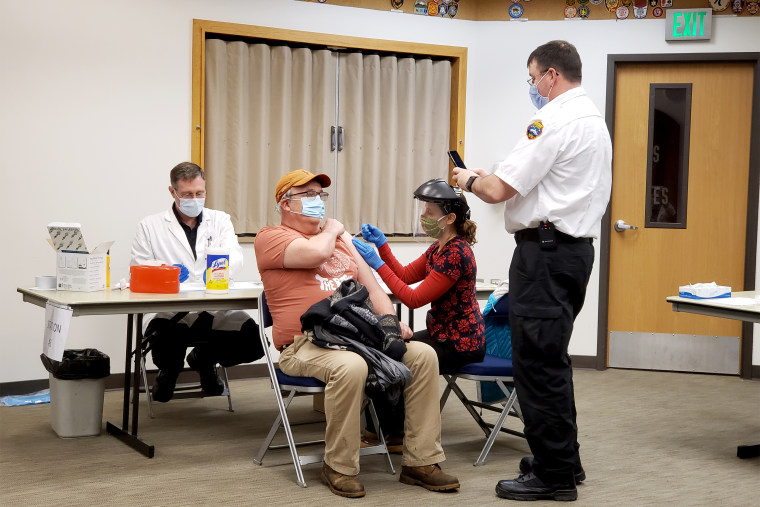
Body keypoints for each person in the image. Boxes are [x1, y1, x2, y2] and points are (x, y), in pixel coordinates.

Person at [453, 41, 612, 502]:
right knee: (552, 360)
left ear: (550, 76)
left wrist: (468, 181)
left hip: (544, 254)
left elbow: (500, 189)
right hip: (570, 252)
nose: (532, 87)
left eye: (532, 77)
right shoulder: (592, 121)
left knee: (537, 365)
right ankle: (563, 460)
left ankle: (554, 477)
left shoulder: (554, 119)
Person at [255, 169, 460, 499]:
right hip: (304, 343)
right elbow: (316, 254)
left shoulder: (341, 241)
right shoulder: (271, 237)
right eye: (307, 195)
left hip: (358, 337)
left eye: (320, 196)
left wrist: (391, 325)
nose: (316, 202)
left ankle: (421, 461)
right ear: (285, 204)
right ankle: (339, 465)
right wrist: (336, 230)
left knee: (423, 355)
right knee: (350, 366)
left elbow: (373, 288)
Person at [352, 178, 485, 445]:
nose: (423, 216)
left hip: (460, 344)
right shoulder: (438, 247)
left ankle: (394, 434)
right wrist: (383, 246)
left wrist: (377, 263)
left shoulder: (456, 254)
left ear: (449, 218)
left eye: (429, 212)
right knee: (383, 349)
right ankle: (387, 430)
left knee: (394, 359)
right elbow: (404, 274)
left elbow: (412, 298)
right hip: (442, 335)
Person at [130, 162, 264, 402]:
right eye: (187, 194)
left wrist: (218, 268)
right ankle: (168, 372)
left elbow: (235, 255)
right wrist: (165, 273)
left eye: (199, 193)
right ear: (172, 192)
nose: (195, 199)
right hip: (169, 310)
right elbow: (139, 268)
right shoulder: (150, 226)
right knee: (166, 343)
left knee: (254, 342)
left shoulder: (220, 220)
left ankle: (203, 359)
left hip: (213, 306)